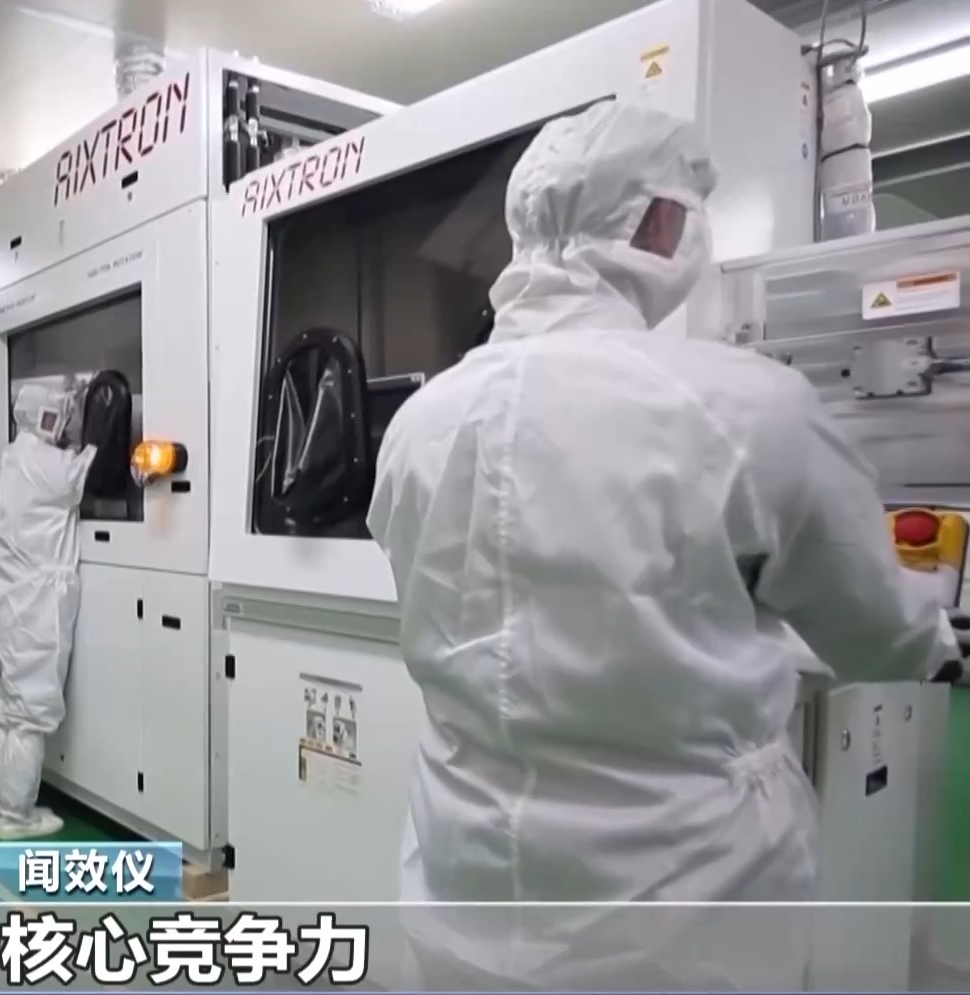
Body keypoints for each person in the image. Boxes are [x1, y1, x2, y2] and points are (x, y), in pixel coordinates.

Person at [365, 100, 963, 990]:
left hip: (465, 885)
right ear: (656, 224)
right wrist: (932, 631)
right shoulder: (745, 407)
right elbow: (881, 634)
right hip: (680, 916)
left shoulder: (420, 423)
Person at [0, 383, 98, 840]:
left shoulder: (14, 455)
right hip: (35, 610)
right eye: (61, 414)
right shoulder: (47, 463)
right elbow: (91, 469)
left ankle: (0, 805)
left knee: (3, 708)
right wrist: (96, 424)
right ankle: (17, 816)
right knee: (30, 712)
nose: (64, 422)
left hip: (6, 605)